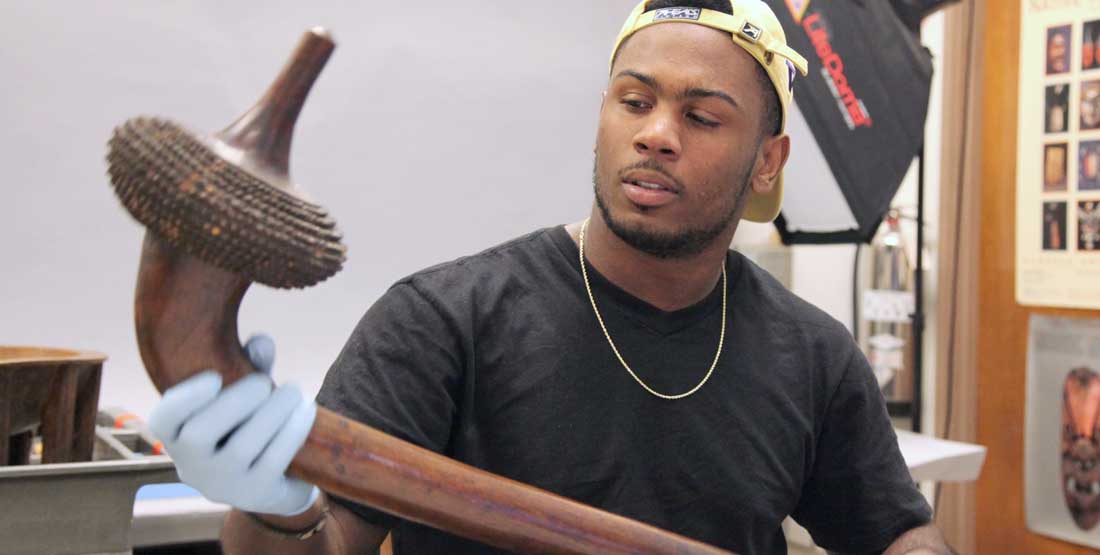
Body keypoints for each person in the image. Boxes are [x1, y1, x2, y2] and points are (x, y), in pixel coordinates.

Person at [149, 1, 953, 553]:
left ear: (767, 162)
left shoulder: (811, 355)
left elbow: (892, 530)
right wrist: (273, 505)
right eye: (633, 102)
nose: (657, 135)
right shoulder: (442, 322)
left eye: (703, 117)